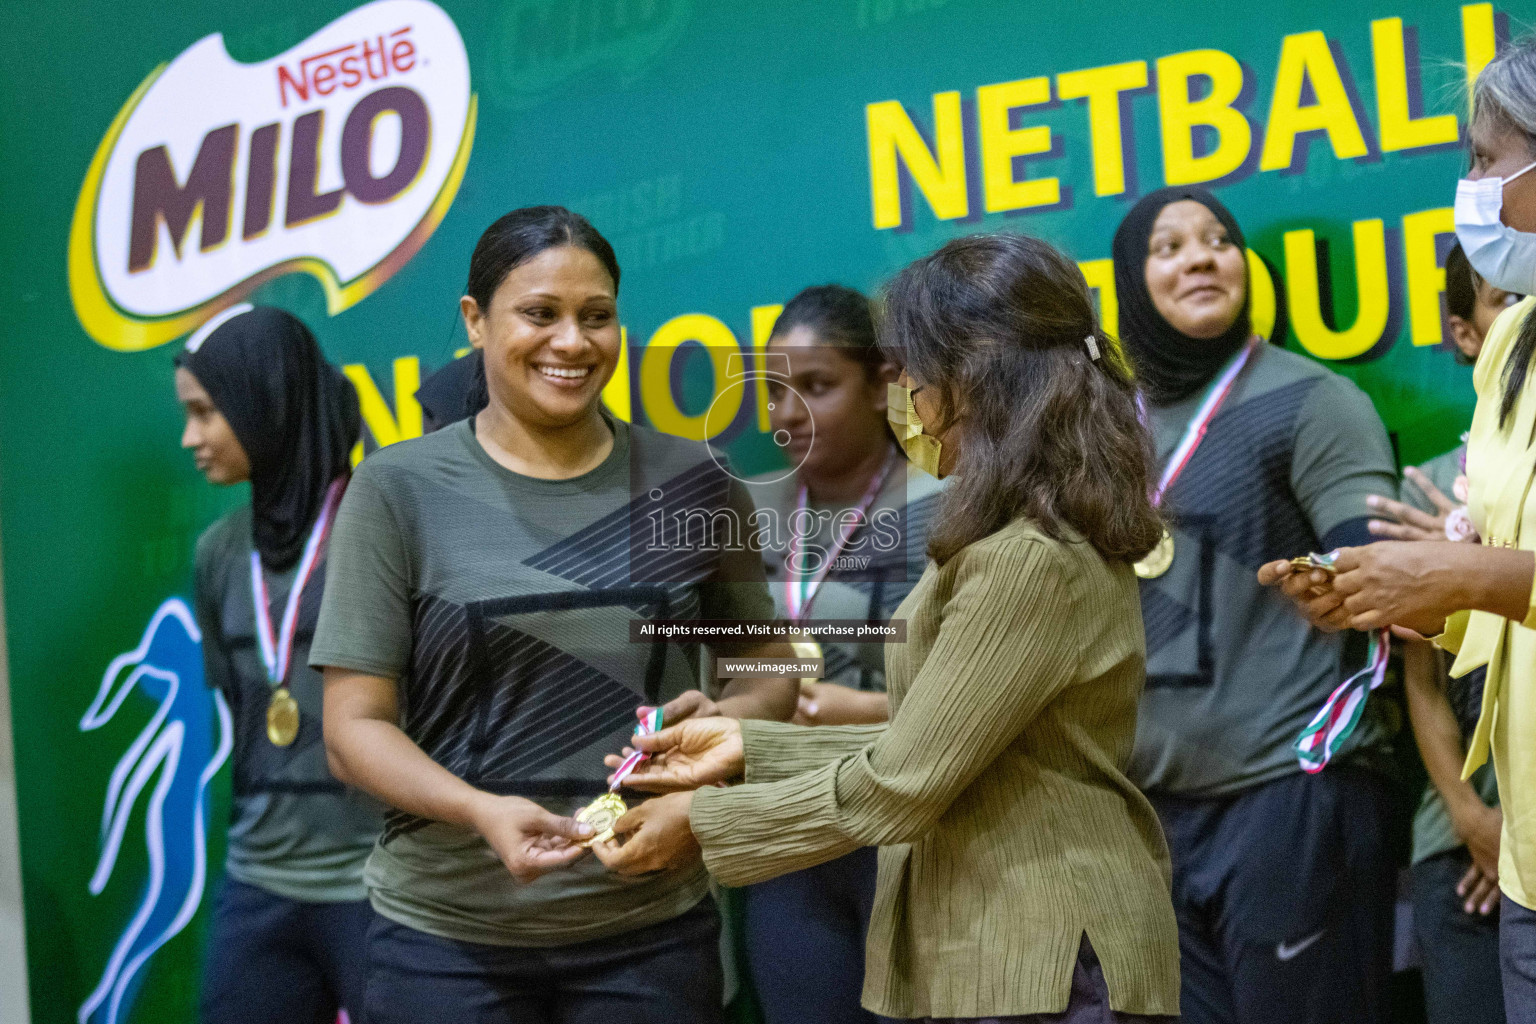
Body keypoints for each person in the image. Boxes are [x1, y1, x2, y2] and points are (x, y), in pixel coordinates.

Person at [594, 232, 1183, 1023]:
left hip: (1045, 958)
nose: (909, 397)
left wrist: (702, 823)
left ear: (973, 380)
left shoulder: (1027, 560)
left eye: (914, 373)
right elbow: (932, 750)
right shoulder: (1009, 537)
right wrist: (747, 747)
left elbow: (901, 786)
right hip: (995, 950)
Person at [311, 205, 796, 1024]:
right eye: (539, 314)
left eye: (596, 316)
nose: (572, 343)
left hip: (651, 934)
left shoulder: (696, 482)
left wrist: (723, 744)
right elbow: (351, 729)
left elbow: (772, 665)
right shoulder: (396, 489)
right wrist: (479, 810)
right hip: (445, 944)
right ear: (475, 321)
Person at [1261, 38, 1536, 1020]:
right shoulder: (1511, 350)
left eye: (1482, 157)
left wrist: (1461, 578)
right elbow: (1507, 606)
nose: (1468, 185)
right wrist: (1400, 594)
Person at [1110, 186, 1401, 1024]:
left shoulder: (1313, 400)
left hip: (1293, 791)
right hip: (1154, 819)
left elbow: (1379, 568)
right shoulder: (1105, 434)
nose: (1202, 257)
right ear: (1131, 279)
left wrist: (1342, 576)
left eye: (1219, 241)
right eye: (1169, 247)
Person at [739, 284, 943, 1024]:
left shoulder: (950, 503)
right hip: (788, 839)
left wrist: (869, 711)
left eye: (817, 388)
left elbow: (1006, 689)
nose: (788, 415)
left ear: (883, 383)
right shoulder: (748, 511)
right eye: (775, 393)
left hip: (920, 841)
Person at [173, 304, 381, 1024]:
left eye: (204, 413)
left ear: (266, 400)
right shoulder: (217, 554)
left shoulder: (382, 531)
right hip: (258, 883)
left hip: (382, 887)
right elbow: (243, 713)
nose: (189, 438)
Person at [1363, 241, 1517, 1024]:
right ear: (1464, 333)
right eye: (1501, 299)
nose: (1524, 314)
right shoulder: (1423, 485)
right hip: (1459, 840)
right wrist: (1473, 820)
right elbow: (1419, 680)